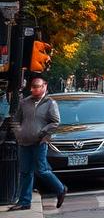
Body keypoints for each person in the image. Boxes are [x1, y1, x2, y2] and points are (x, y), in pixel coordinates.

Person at [13, 76, 66, 211]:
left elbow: (55, 122)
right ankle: (25, 201)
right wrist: (18, 133)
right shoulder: (24, 102)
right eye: (33, 87)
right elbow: (16, 120)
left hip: (40, 142)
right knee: (25, 172)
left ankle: (60, 189)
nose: (34, 89)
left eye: (37, 86)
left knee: (41, 170)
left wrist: (43, 132)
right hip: (24, 142)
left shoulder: (50, 103)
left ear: (44, 87)